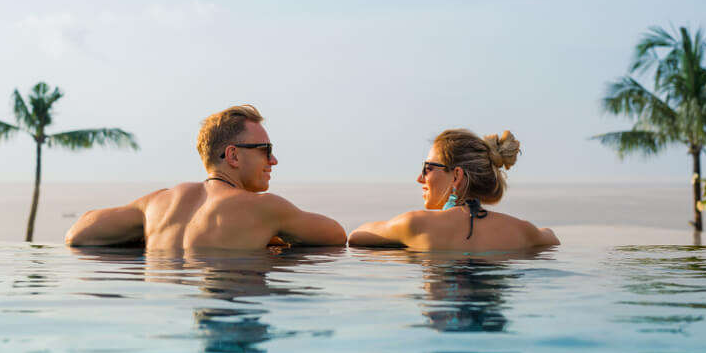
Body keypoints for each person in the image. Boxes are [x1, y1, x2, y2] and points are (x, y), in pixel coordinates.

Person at [65, 104, 346, 250]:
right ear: (233, 156)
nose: (273, 160)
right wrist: (272, 234)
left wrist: (144, 234)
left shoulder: (156, 204)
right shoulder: (265, 208)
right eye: (265, 150)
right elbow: (337, 235)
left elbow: (77, 234)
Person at [348, 129, 559, 251]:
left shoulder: (415, 225)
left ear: (456, 175)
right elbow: (551, 238)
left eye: (428, 168)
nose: (420, 178)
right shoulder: (523, 232)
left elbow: (356, 236)